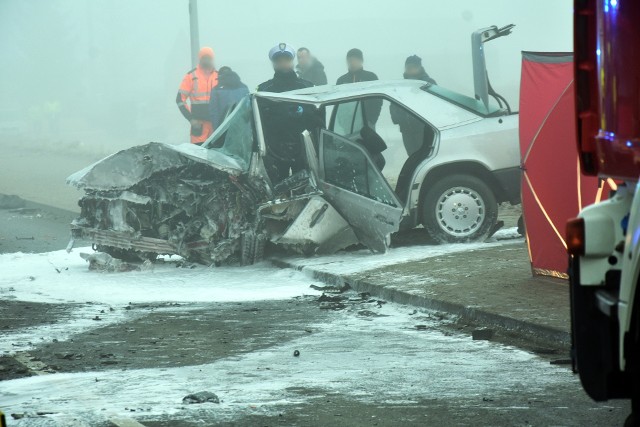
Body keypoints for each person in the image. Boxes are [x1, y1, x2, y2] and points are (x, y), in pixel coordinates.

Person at [257, 43, 322, 183]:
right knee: (278, 194)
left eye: (286, 60)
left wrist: (319, 147)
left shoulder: (307, 87)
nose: (283, 63)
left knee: (307, 190)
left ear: (292, 61)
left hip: (304, 151)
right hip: (275, 152)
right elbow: (259, 122)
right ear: (273, 63)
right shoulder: (263, 90)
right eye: (279, 61)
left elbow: (318, 120)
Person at [176, 46, 219, 144]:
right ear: (200, 59)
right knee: (196, 156)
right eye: (204, 57)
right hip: (199, 126)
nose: (207, 60)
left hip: (216, 126)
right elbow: (179, 99)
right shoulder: (191, 76)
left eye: (209, 58)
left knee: (217, 157)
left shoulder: (219, 76)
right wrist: (191, 119)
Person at [336, 48, 382, 127]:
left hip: (367, 122)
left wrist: (372, 119)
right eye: (350, 60)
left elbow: (377, 100)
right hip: (347, 123)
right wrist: (341, 121)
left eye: (355, 60)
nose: (352, 63)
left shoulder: (371, 78)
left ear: (361, 61)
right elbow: (337, 103)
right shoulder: (341, 81)